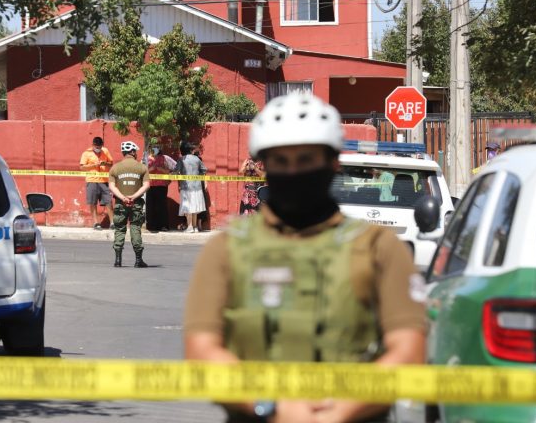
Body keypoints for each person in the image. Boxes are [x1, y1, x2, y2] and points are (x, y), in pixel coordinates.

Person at [183, 93, 426, 423]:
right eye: (281, 161)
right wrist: (270, 406)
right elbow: (201, 349)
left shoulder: (378, 247)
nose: (294, 171)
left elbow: (409, 350)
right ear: (264, 166)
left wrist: (340, 410)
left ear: (333, 163)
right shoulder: (227, 248)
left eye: (307, 159)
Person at [109, 141, 150, 268]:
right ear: (132, 152)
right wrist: (134, 196)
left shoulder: (115, 168)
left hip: (120, 204)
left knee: (119, 229)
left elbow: (112, 186)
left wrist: (123, 197)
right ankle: (138, 260)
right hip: (136, 204)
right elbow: (146, 185)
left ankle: (118, 260)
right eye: (135, 152)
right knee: (135, 228)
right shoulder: (142, 167)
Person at [80, 136, 115, 230]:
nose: (98, 148)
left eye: (100, 147)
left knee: (108, 201)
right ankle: (96, 223)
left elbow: (111, 164)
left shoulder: (105, 151)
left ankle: (112, 223)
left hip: (104, 181)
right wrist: (93, 165)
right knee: (93, 202)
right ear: (93, 145)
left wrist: (105, 163)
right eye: (96, 147)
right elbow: (82, 167)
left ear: (102, 145)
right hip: (92, 180)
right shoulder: (86, 153)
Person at [175, 142, 207, 233]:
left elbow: (176, 170)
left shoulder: (181, 159)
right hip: (197, 187)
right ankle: (195, 227)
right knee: (195, 207)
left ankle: (189, 227)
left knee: (188, 207)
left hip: (186, 187)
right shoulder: (197, 159)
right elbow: (204, 170)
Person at [146, 145, 176, 232]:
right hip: (149, 186)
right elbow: (142, 170)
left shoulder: (165, 158)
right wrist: (151, 169)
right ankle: (151, 226)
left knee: (162, 206)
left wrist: (166, 174)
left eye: (157, 148)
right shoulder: (146, 158)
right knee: (150, 206)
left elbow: (175, 168)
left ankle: (163, 226)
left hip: (162, 186)